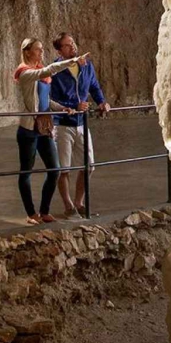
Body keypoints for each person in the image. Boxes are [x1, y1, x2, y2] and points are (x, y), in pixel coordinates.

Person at [13, 38, 87, 224]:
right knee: (26, 172)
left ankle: (44, 211)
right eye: (38, 50)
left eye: (42, 49)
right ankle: (31, 214)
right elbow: (48, 70)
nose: (41, 53)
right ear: (27, 51)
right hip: (29, 129)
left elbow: (46, 100)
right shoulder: (25, 73)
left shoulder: (38, 72)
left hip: (44, 127)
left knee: (54, 169)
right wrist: (72, 61)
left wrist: (62, 108)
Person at [48, 32, 110, 218]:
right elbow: (50, 98)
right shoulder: (55, 69)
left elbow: (94, 86)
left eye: (73, 42)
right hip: (63, 124)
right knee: (64, 169)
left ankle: (79, 202)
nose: (73, 47)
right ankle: (68, 206)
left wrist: (102, 102)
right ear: (59, 50)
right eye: (67, 45)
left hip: (82, 122)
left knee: (88, 165)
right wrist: (72, 106)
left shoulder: (86, 65)